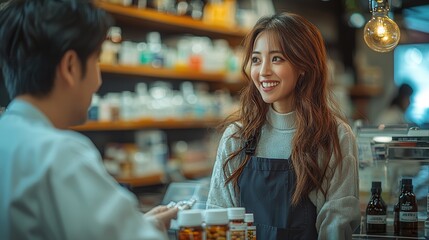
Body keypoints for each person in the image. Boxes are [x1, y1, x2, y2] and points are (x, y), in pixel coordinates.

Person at [0, 0, 177, 239]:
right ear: (70, 66)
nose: (98, 81)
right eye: (96, 61)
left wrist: (141, 225)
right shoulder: (59, 153)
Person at [206, 12, 360, 239]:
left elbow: (337, 225)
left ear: (304, 65)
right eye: (256, 59)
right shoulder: (237, 137)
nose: (263, 71)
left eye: (277, 58)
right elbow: (219, 217)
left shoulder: (334, 136)